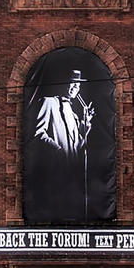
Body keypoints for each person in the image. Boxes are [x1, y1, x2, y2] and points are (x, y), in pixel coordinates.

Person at [31, 69, 94, 221]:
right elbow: (38, 134)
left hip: (72, 173)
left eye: (78, 86)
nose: (75, 88)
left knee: (70, 213)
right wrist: (57, 150)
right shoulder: (49, 102)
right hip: (55, 171)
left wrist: (86, 124)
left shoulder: (73, 114)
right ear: (64, 83)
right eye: (72, 83)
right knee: (54, 212)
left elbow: (78, 146)